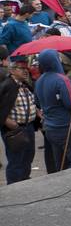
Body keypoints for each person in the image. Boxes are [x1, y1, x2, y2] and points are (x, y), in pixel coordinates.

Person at [33, 49, 71, 173]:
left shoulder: (39, 81)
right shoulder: (62, 80)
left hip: (50, 128)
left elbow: (38, 102)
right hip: (65, 127)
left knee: (60, 163)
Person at [0, 55, 38, 183]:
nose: (25, 71)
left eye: (26, 68)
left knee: (28, 157)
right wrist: (7, 122)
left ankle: (24, 181)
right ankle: (14, 186)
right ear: (11, 71)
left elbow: (30, 102)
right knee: (16, 160)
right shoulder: (7, 85)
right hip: (14, 130)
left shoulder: (25, 84)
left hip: (29, 127)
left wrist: (37, 112)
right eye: (21, 68)